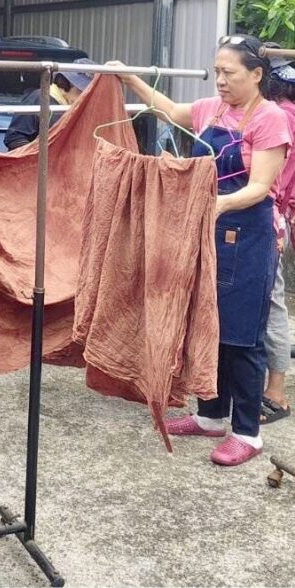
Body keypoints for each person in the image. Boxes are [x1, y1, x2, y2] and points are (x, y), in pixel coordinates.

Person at [112, 34, 290, 466]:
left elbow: (260, 187)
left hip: (248, 235)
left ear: (256, 74)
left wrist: (216, 204)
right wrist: (130, 79)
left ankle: (247, 433)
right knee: (208, 326)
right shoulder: (214, 109)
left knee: (241, 337)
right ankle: (210, 416)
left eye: (229, 73)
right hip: (208, 232)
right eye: (216, 73)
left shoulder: (270, 119)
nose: (221, 81)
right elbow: (171, 111)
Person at [261, 54, 295, 424]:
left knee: (272, 300)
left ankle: (276, 392)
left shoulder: (280, 116)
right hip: (284, 211)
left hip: (273, 214)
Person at [3, 58, 95, 150]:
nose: (86, 95)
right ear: (64, 84)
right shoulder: (39, 99)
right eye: (82, 90)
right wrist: (39, 154)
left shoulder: (86, 108)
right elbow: (14, 138)